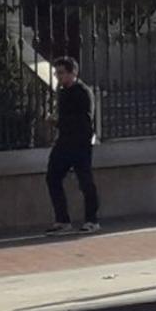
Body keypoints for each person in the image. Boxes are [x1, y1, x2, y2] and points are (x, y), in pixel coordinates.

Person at [43, 57, 100, 235]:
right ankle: (62, 220)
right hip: (64, 143)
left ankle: (92, 220)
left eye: (61, 73)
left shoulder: (83, 92)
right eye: (56, 73)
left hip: (80, 144)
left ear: (72, 73)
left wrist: (59, 121)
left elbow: (84, 120)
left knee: (85, 182)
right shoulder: (63, 92)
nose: (58, 77)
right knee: (52, 177)